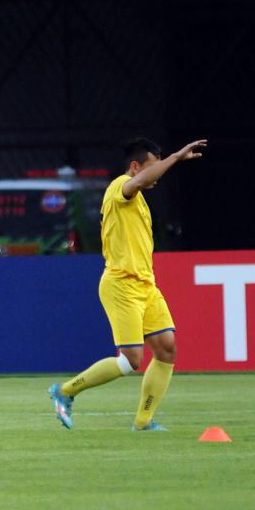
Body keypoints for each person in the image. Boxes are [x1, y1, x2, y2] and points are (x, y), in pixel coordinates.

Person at [48, 137, 206, 431]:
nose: (158, 174)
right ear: (136, 167)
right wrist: (174, 157)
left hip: (146, 285)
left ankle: (143, 422)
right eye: (153, 167)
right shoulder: (120, 186)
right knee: (132, 359)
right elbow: (135, 184)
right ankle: (66, 391)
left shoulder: (141, 201)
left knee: (167, 348)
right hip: (121, 284)